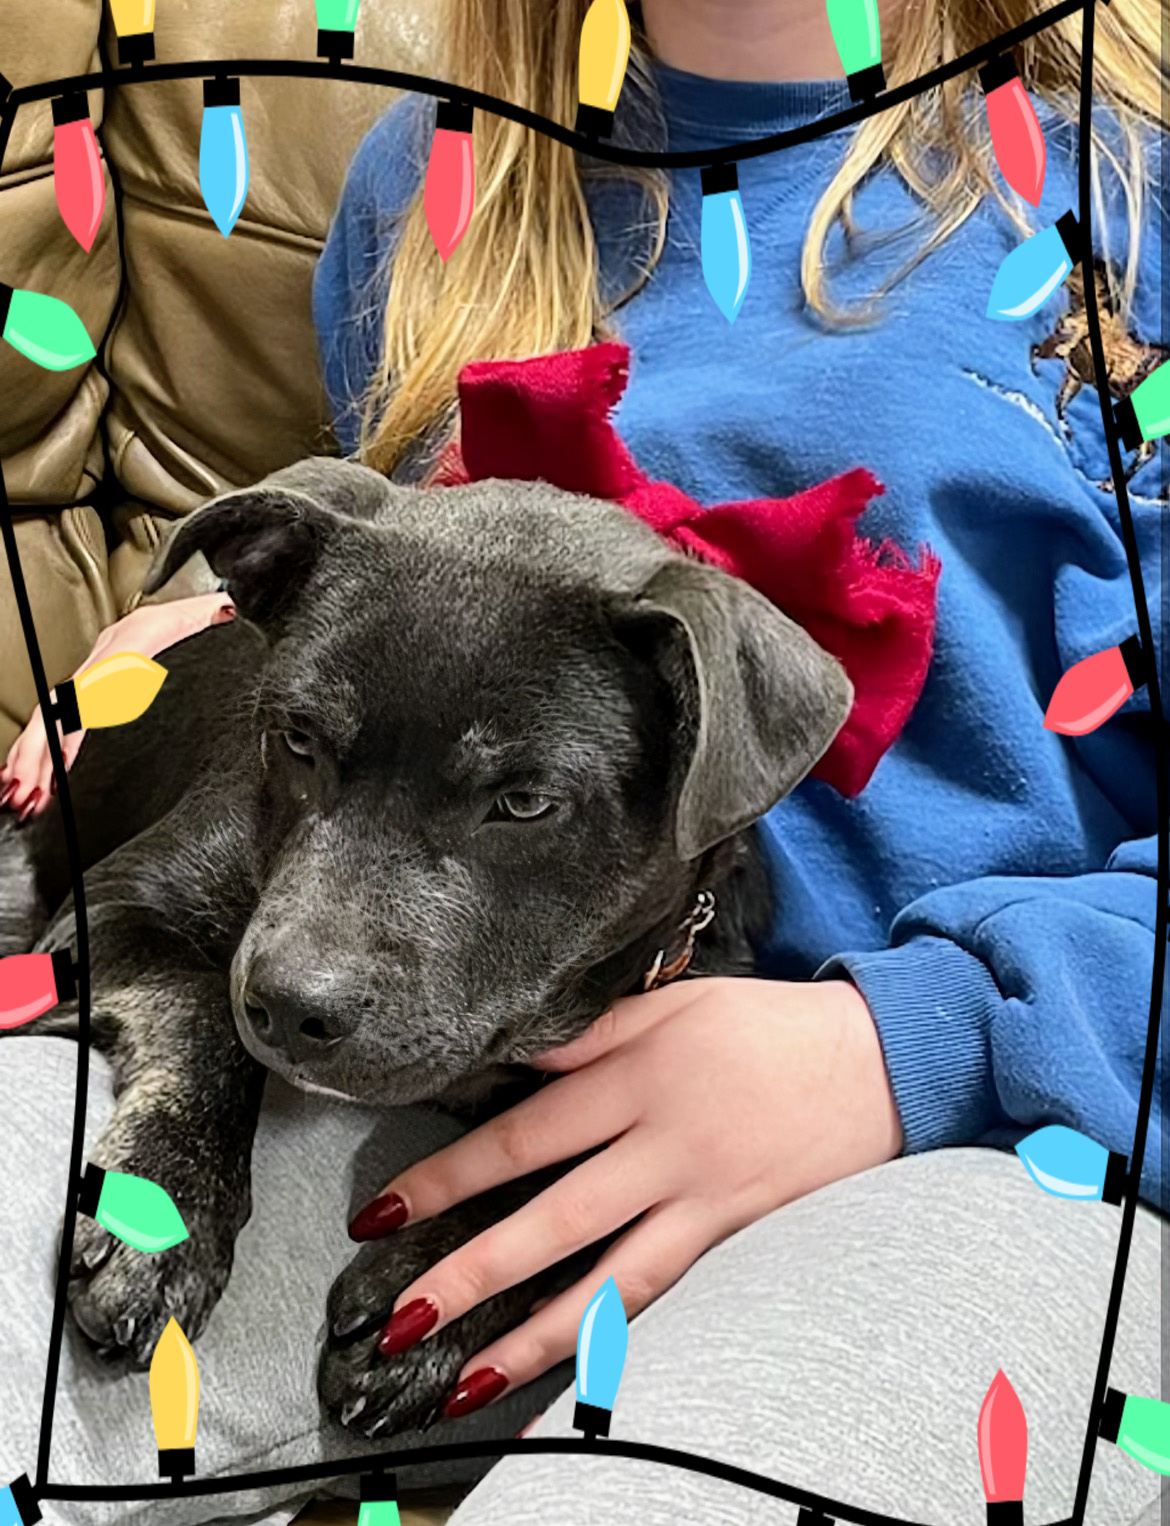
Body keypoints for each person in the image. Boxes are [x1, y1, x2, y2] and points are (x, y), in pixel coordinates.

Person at [3, 0, 1165, 1519]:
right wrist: (195, 622)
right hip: (477, 1071)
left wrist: (904, 1043)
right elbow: (413, 619)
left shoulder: (1122, 200)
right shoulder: (438, 182)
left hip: (1003, 1123)